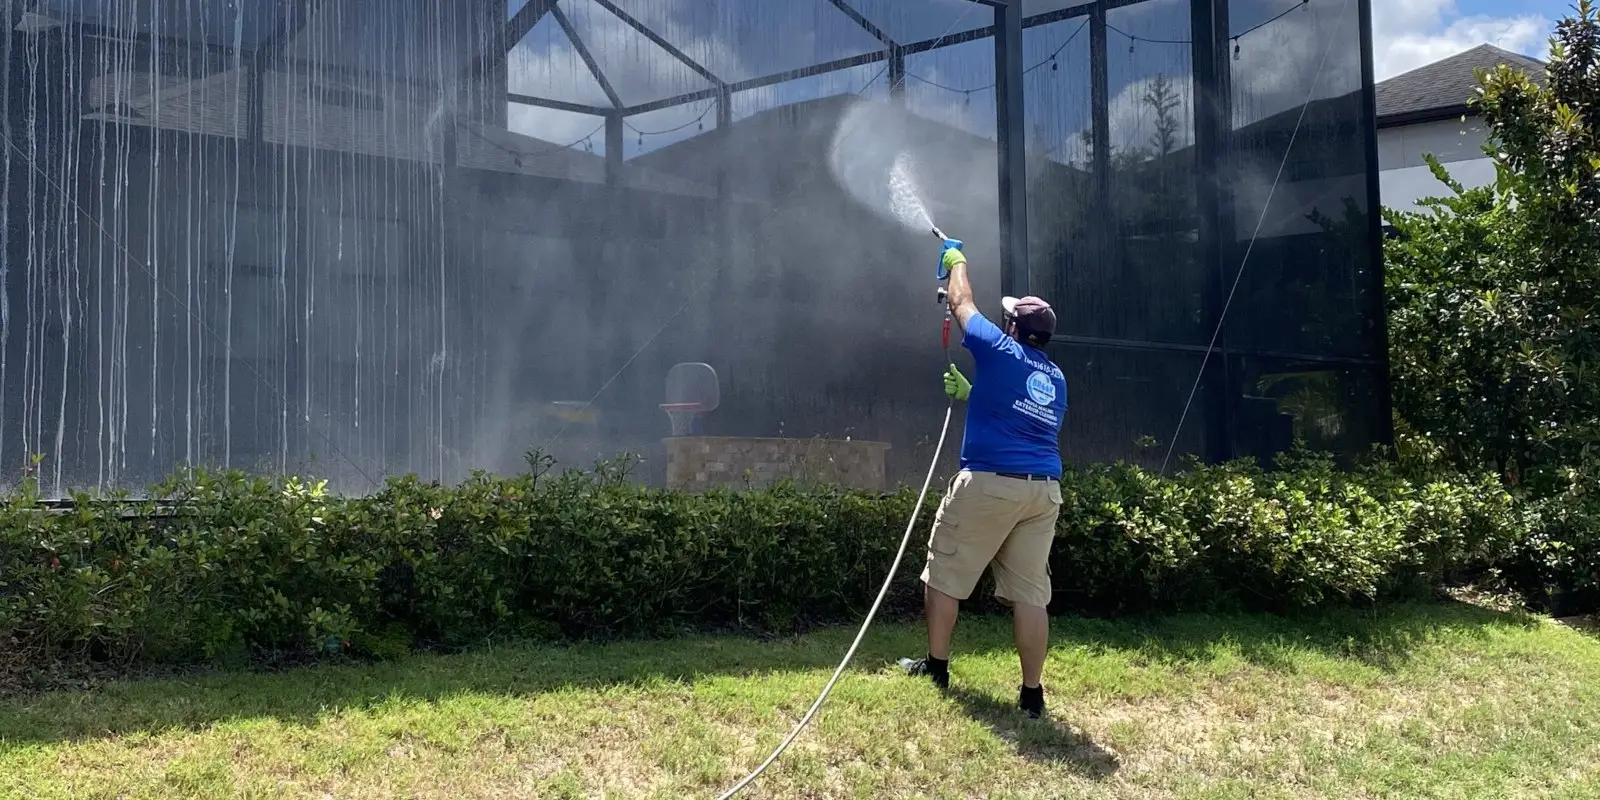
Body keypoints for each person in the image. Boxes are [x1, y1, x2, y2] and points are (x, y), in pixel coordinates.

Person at [899, 237, 1067, 721]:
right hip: (1042, 491)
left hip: (991, 484)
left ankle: (936, 668)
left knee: (945, 571)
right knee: (1031, 593)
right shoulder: (1055, 378)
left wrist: (957, 262)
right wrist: (976, 393)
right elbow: (1029, 423)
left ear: (1013, 327)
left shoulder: (998, 347)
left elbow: (961, 302)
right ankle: (1032, 697)